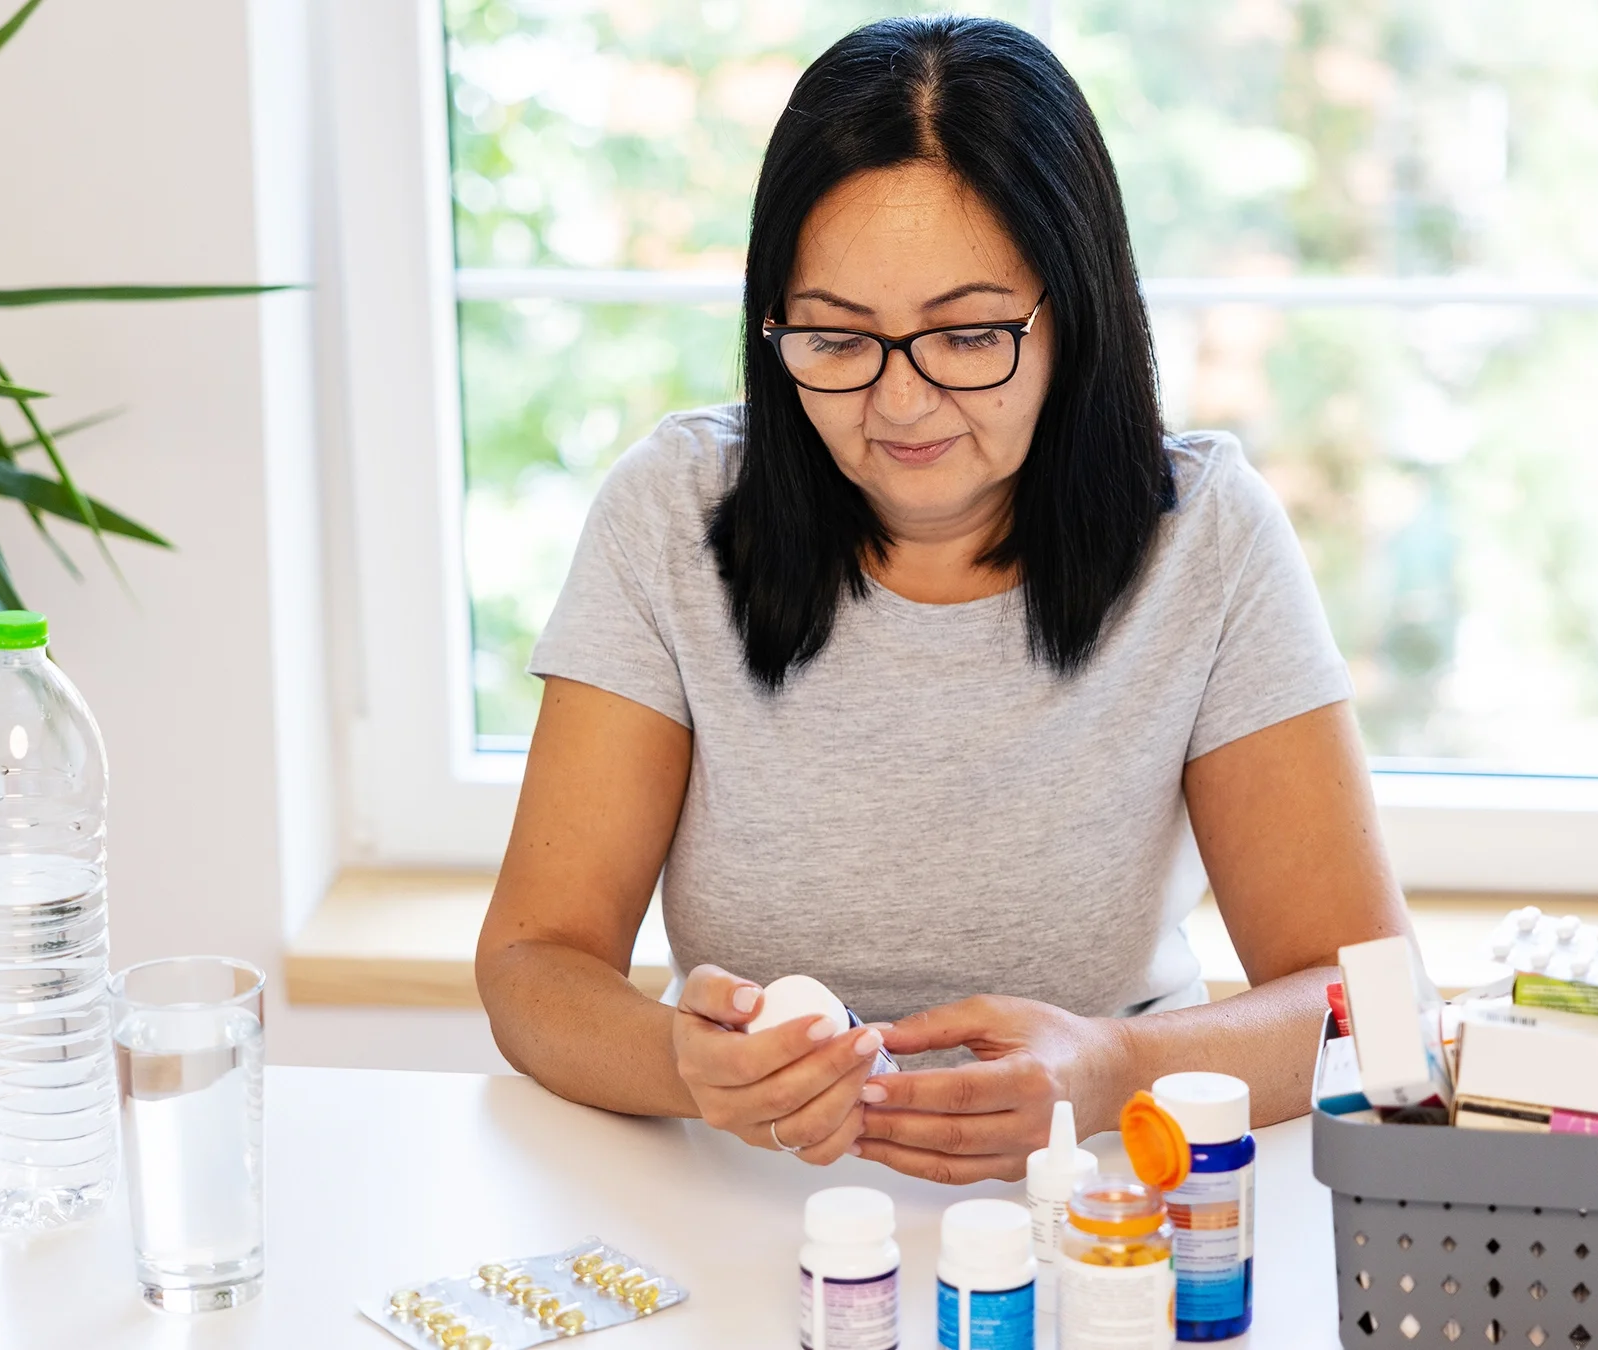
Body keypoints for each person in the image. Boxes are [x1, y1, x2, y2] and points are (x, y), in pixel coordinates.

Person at [474, 14, 1410, 1185]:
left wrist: (1112, 1070)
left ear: (1075, 313)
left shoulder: (1204, 536)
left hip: (1101, 1184)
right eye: (835, 337)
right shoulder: (671, 513)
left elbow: (1363, 996)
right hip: (747, 1192)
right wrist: (687, 1067)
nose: (902, 403)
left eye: (968, 335)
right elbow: (532, 964)